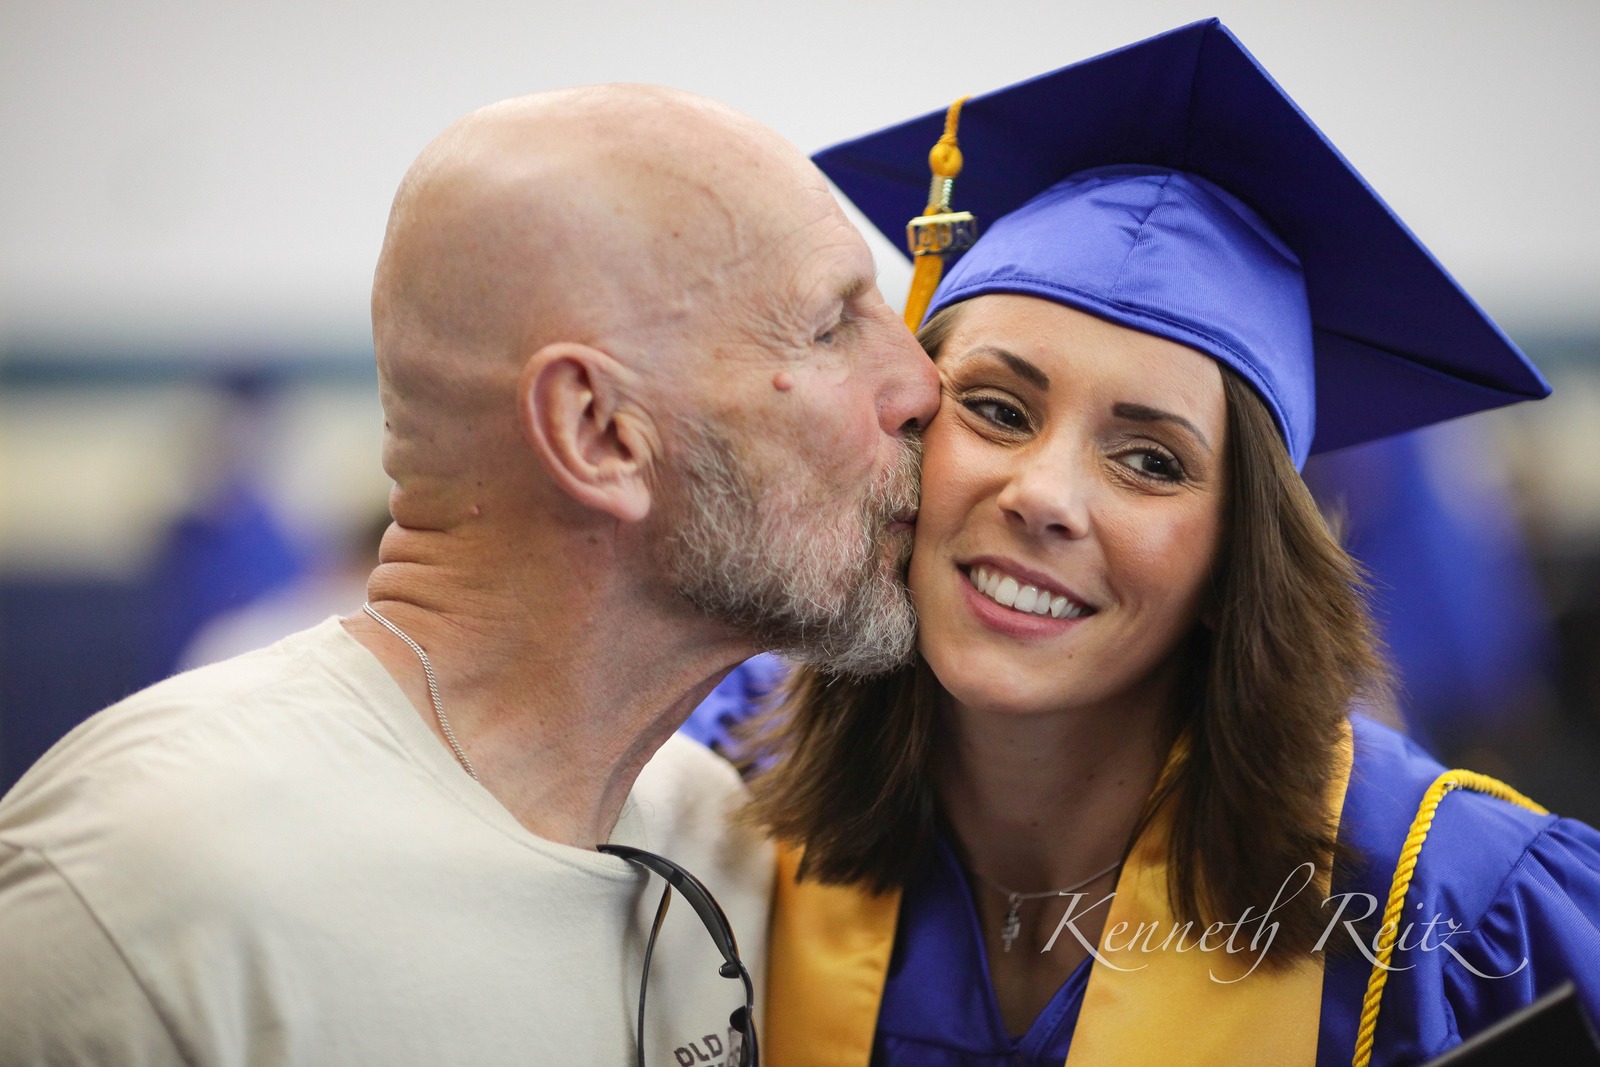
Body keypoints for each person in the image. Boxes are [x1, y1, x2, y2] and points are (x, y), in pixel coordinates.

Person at [696, 20, 1600, 1067]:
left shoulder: (1461, 914)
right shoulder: (718, 776)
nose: (1044, 496)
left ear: (1236, 559)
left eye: (1151, 461)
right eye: (996, 408)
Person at [0, 84, 939, 1064]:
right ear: (599, 432)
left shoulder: (724, 839)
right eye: (830, 326)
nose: (922, 382)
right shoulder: (140, 895)